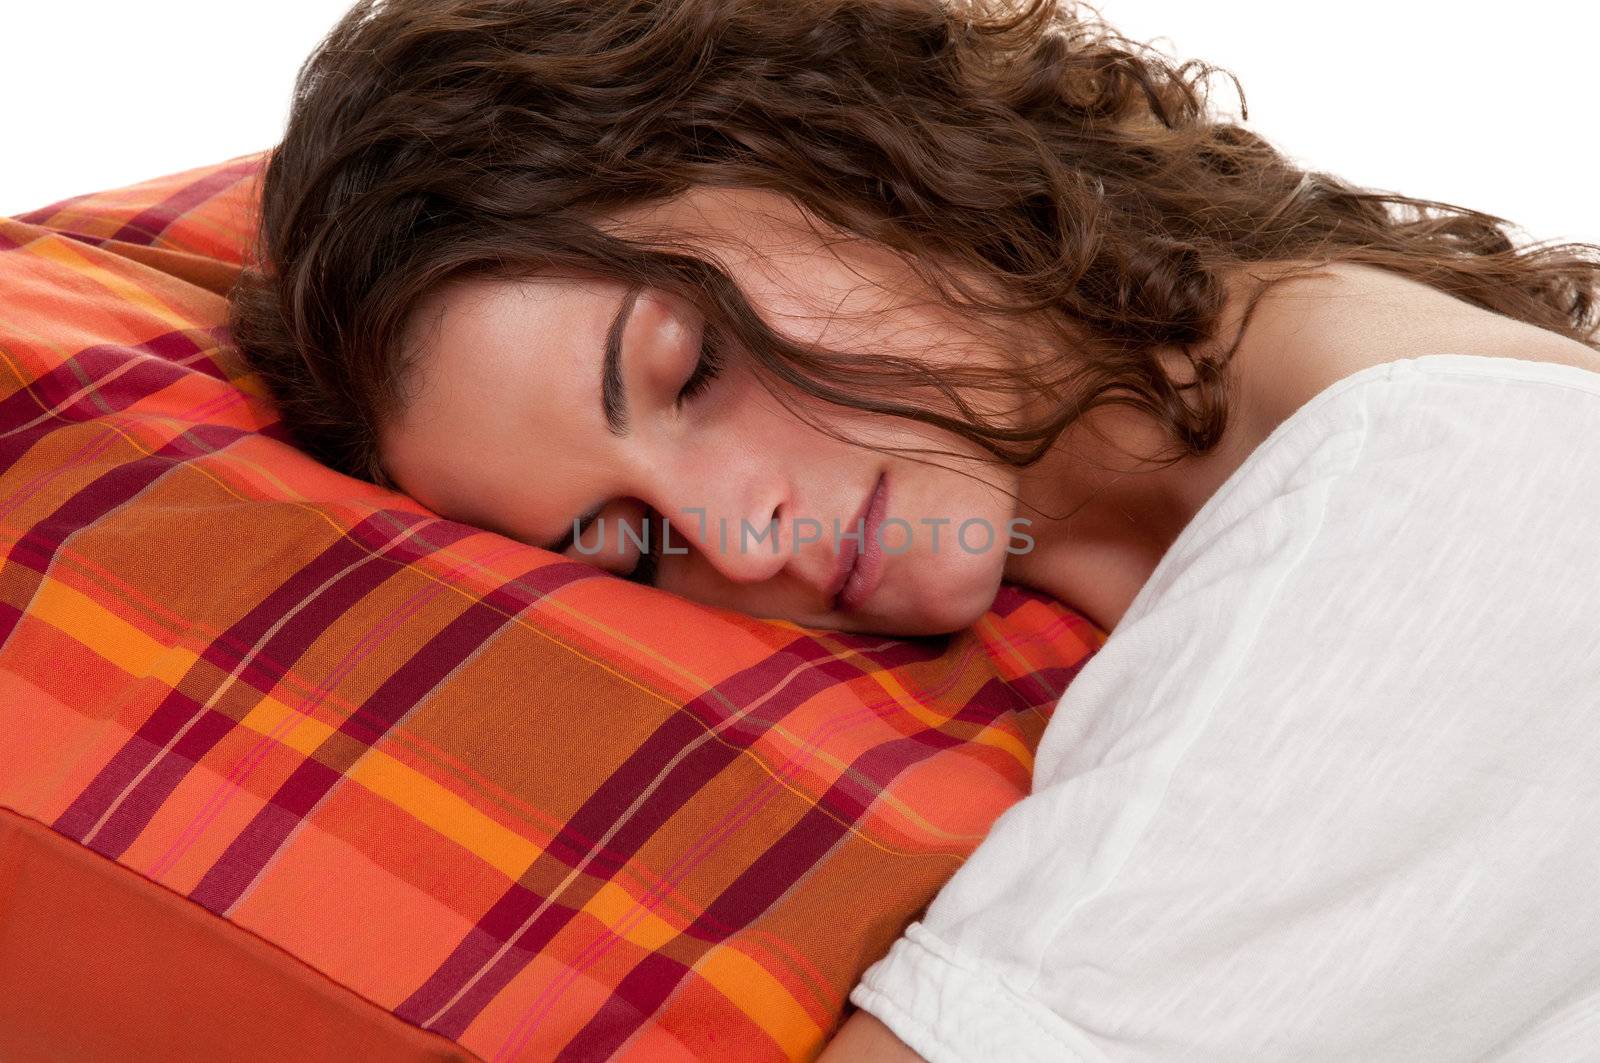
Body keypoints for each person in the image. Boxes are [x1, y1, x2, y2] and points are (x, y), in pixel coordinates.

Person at [227, 0, 1600, 1058]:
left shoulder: (1437, 485)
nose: (737, 536)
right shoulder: (1170, 574)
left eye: (693, 365)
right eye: (633, 546)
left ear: (844, 150)